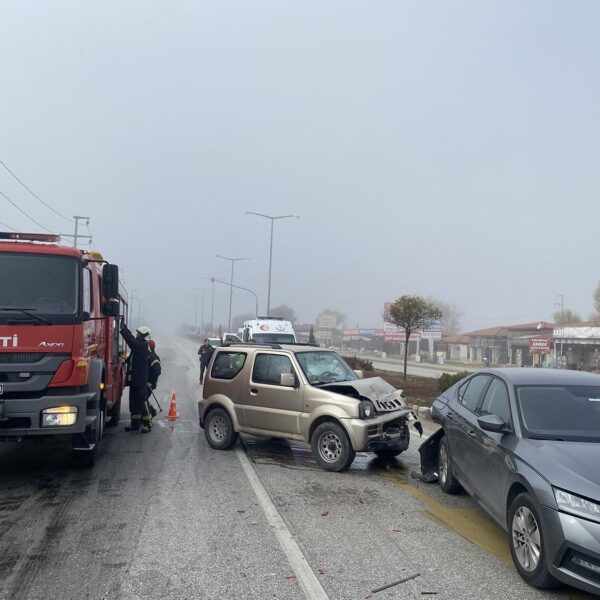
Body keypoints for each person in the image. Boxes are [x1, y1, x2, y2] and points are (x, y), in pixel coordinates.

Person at [121, 323, 151, 433]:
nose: (137, 335)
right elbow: (132, 360)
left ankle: (147, 424)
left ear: (142, 335)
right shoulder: (137, 348)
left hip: (140, 380)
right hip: (134, 380)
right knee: (133, 403)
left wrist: (123, 329)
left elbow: (131, 341)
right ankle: (135, 424)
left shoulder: (141, 346)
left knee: (142, 402)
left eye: (138, 333)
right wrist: (125, 360)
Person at [145, 339, 162, 428]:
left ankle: (150, 414)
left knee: (143, 399)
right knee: (143, 399)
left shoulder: (153, 357)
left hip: (150, 384)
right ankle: (151, 412)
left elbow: (157, 371)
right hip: (146, 383)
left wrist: (150, 382)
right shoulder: (148, 355)